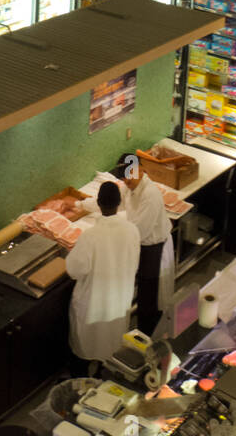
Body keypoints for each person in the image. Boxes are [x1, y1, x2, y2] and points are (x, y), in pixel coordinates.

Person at [64, 179, 140, 370]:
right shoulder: (132, 230)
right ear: (118, 204)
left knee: (86, 347)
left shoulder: (91, 236)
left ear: (98, 204)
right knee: (110, 344)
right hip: (119, 299)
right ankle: (101, 376)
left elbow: (74, 270)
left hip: (92, 303)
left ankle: (80, 381)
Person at [115, 156, 174, 339]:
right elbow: (115, 202)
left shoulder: (150, 194)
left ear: (140, 170)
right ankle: (143, 335)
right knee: (144, 295)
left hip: (154, 249)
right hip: (144, 247)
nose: (127, 182)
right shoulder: (130, 186)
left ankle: (149, 340)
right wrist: (80, 206)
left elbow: (141, 231)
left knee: (150, 300)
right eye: (124, 178)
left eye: (129, 176)